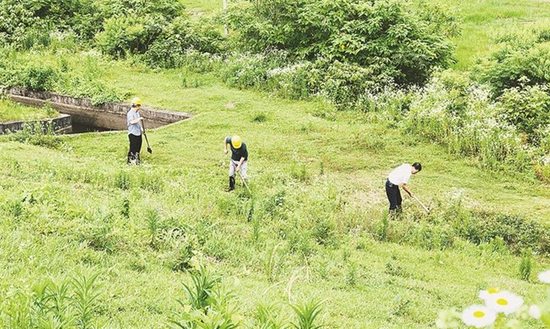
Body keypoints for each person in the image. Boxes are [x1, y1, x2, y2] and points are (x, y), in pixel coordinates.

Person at [127, 97, 144, 164]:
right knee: (133, 148)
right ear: (137, 106)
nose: (140, 107)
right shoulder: (130, 113)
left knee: (138, 147)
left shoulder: (137, 112)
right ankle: (130, 161)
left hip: (138, 133)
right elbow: (131, 122)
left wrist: (141, 129)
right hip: (132, 133)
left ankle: (137, 160)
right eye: (140, 105)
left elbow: (138, 123)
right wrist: (139, 119)